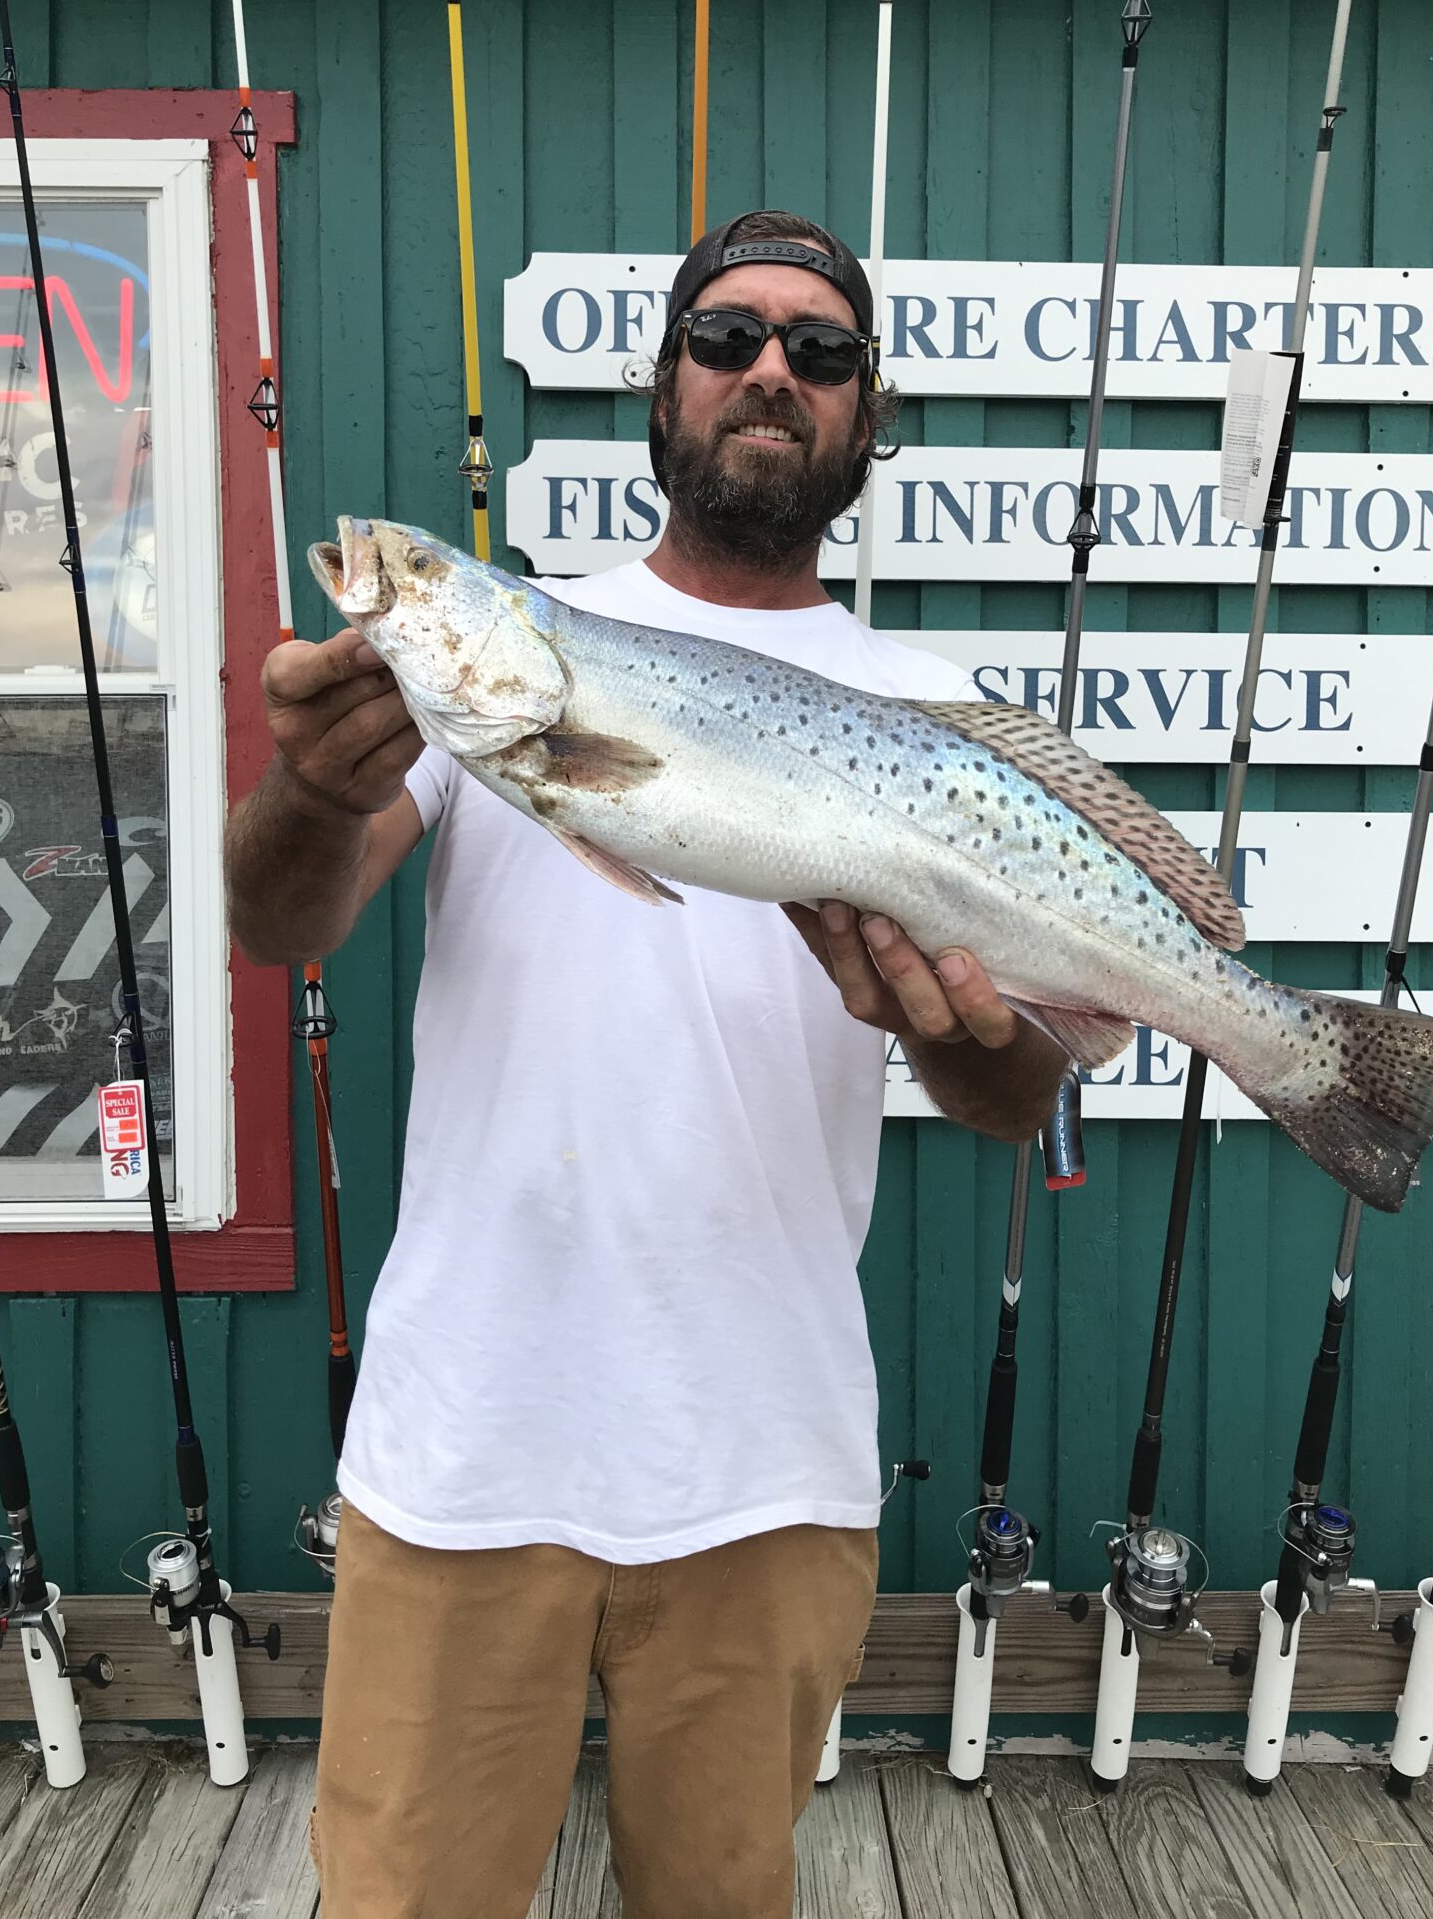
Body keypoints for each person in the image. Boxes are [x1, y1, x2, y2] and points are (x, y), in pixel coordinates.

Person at [226, 208, 1066, 1919]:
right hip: (465, 1454)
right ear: (661, 387)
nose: (771, 369)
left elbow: (1016, 1091)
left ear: (865, 415)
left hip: (766, 1461)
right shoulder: (522, 658)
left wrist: (950, 1031)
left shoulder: (938, 715)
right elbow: (283, 923)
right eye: (727, 336)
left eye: (820, 351)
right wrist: (309, 787)